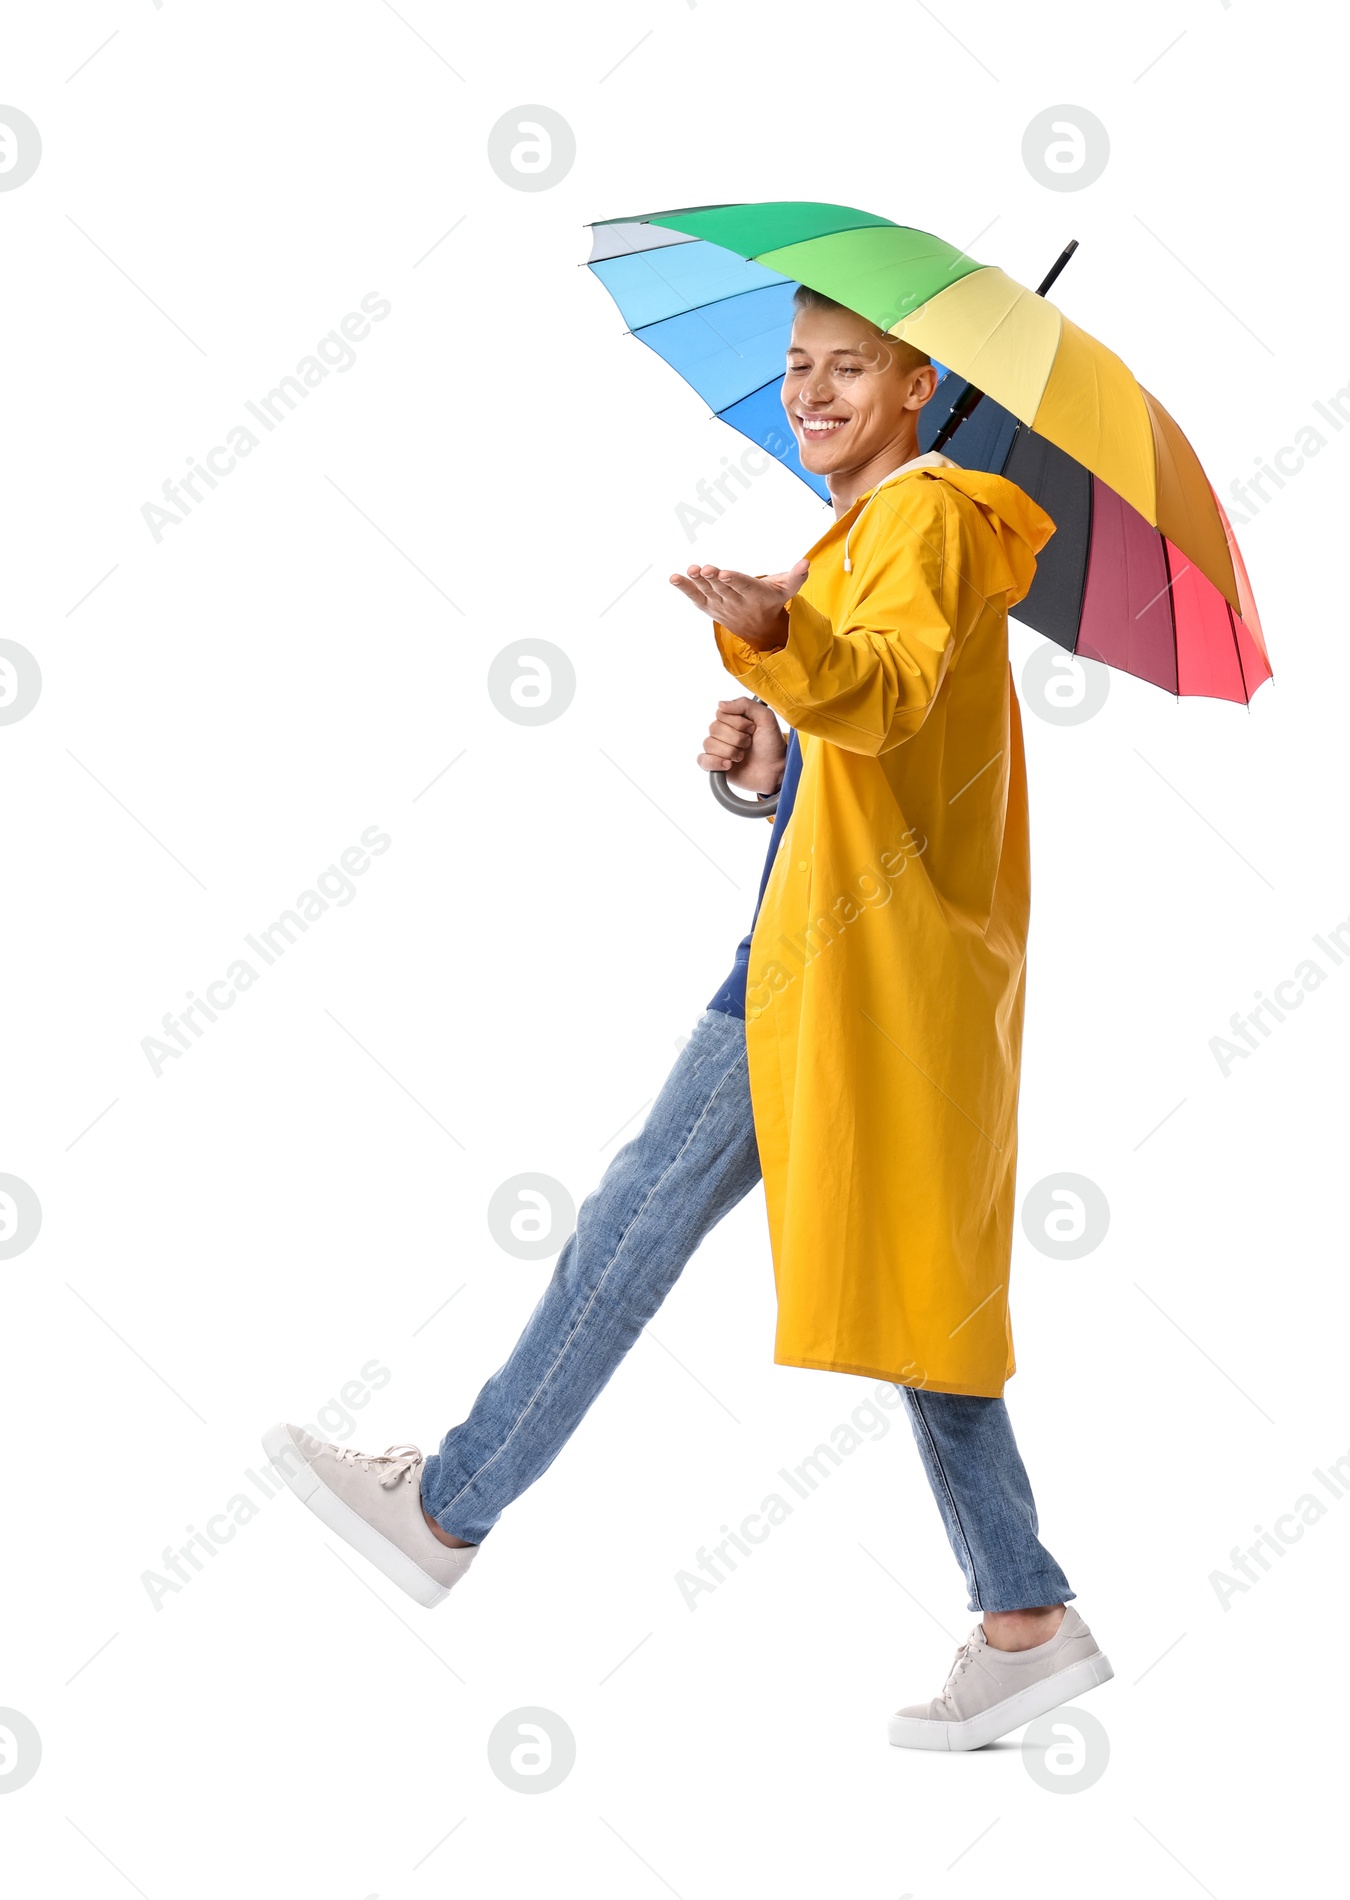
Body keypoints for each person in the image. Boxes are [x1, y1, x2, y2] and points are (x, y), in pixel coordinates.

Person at [263, 283, 1112, 1751]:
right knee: (917, 1303)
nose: (814, 391)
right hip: (860, 955)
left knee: (635, 1224)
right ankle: (1023, 1616)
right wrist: (764, 766)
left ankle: (448, 1506)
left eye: (853, 368)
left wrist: (784, 642)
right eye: (799, 365)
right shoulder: (883, 531)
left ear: (924, 388)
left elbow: (893, 693)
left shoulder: (921, 521)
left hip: (832, 972)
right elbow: (873, 771)